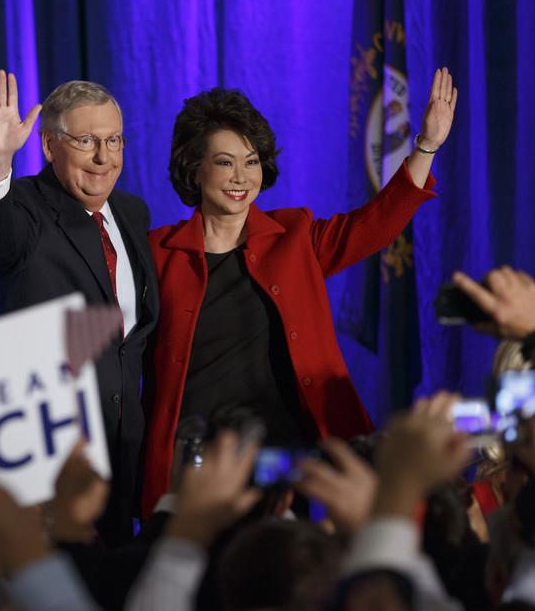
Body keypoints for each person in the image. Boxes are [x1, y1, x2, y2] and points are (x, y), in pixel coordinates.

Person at [141, 68, 458, 516]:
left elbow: (375, 225)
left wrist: (426, 146)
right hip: (198, 459)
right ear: (194, 169)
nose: (240, 177)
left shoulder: (294, 237)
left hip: (282, 456)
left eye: (251, 162)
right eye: (225, 162)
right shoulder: (157, 252)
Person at [0, 70, 159, 545]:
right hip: (50, 457)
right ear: (50, 147)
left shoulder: (133, 213)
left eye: (113, 141)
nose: (103, 158)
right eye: (87, 141)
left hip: (121, 450)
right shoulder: (26, 209)